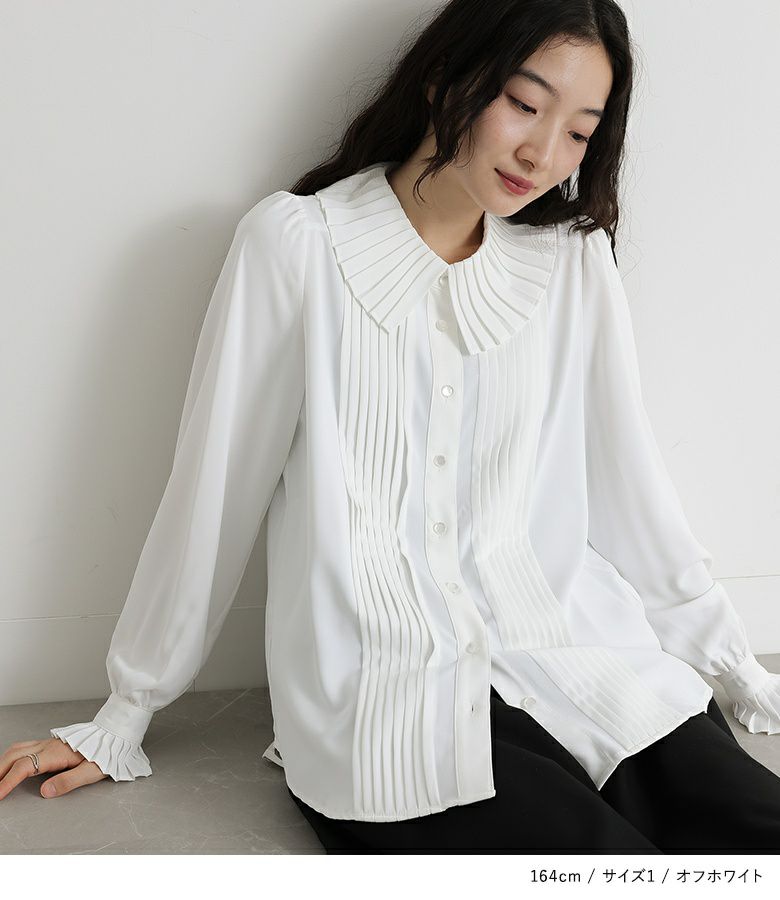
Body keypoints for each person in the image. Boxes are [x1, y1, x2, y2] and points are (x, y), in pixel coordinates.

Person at [2, 0, 780, 854]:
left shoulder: (572, 262)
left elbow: (631, 487)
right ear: (445, 80)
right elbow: (215, 491)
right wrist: (128, 708)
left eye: (579, 133)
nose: (543, 154)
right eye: (524, 104)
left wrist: (730, 663)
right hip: (386, 690)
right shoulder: (297, 247)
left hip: (578, 652)